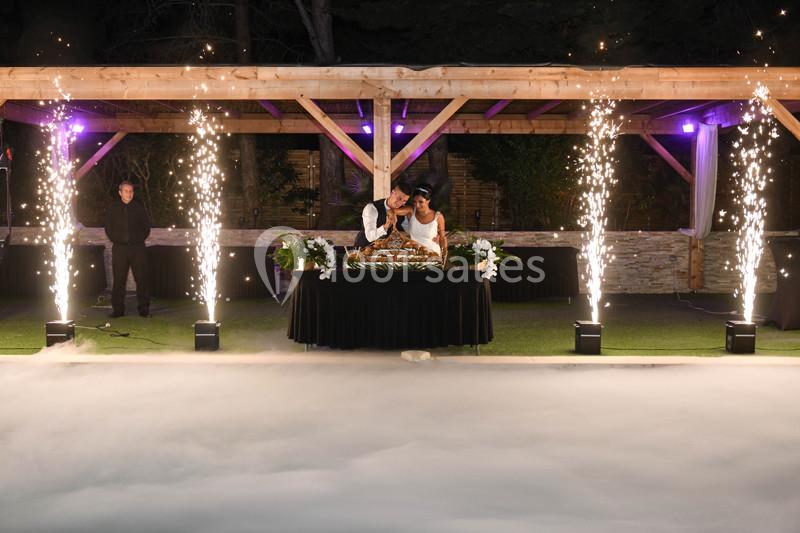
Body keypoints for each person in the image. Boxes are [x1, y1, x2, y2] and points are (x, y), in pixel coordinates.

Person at [104, 180, 151, 318]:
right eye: (126, 191)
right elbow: (108, 228)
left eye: (130, 191)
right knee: (119, 280)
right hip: (120, 249)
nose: (128, 193)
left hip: (138, 249)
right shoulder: (113, 208)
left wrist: (138, 239)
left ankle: (144, 309)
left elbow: (146, 227)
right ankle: (118, 310)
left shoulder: (139, 208)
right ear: (120, 192)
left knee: (141, 279)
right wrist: (117, 239)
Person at [353, 179, 413, 248]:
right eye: (399, 198)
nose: (400, 203)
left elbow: (408, 230)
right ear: (392, 192)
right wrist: (385, 227)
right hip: (363, 250)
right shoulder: (372, 208)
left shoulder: (402, 211)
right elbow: (369, 237)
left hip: (384, 253)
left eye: (404, 201)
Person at [394, 183, 447, 258]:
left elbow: (442, 237)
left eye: (421, 202)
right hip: (414, 257)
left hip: (433, 256)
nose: (417, 205)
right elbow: (392, 211)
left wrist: (445, 252)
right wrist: (392, 216)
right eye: (415, 202)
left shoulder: (438, 217)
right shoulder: (411, 211)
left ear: (428, 200)